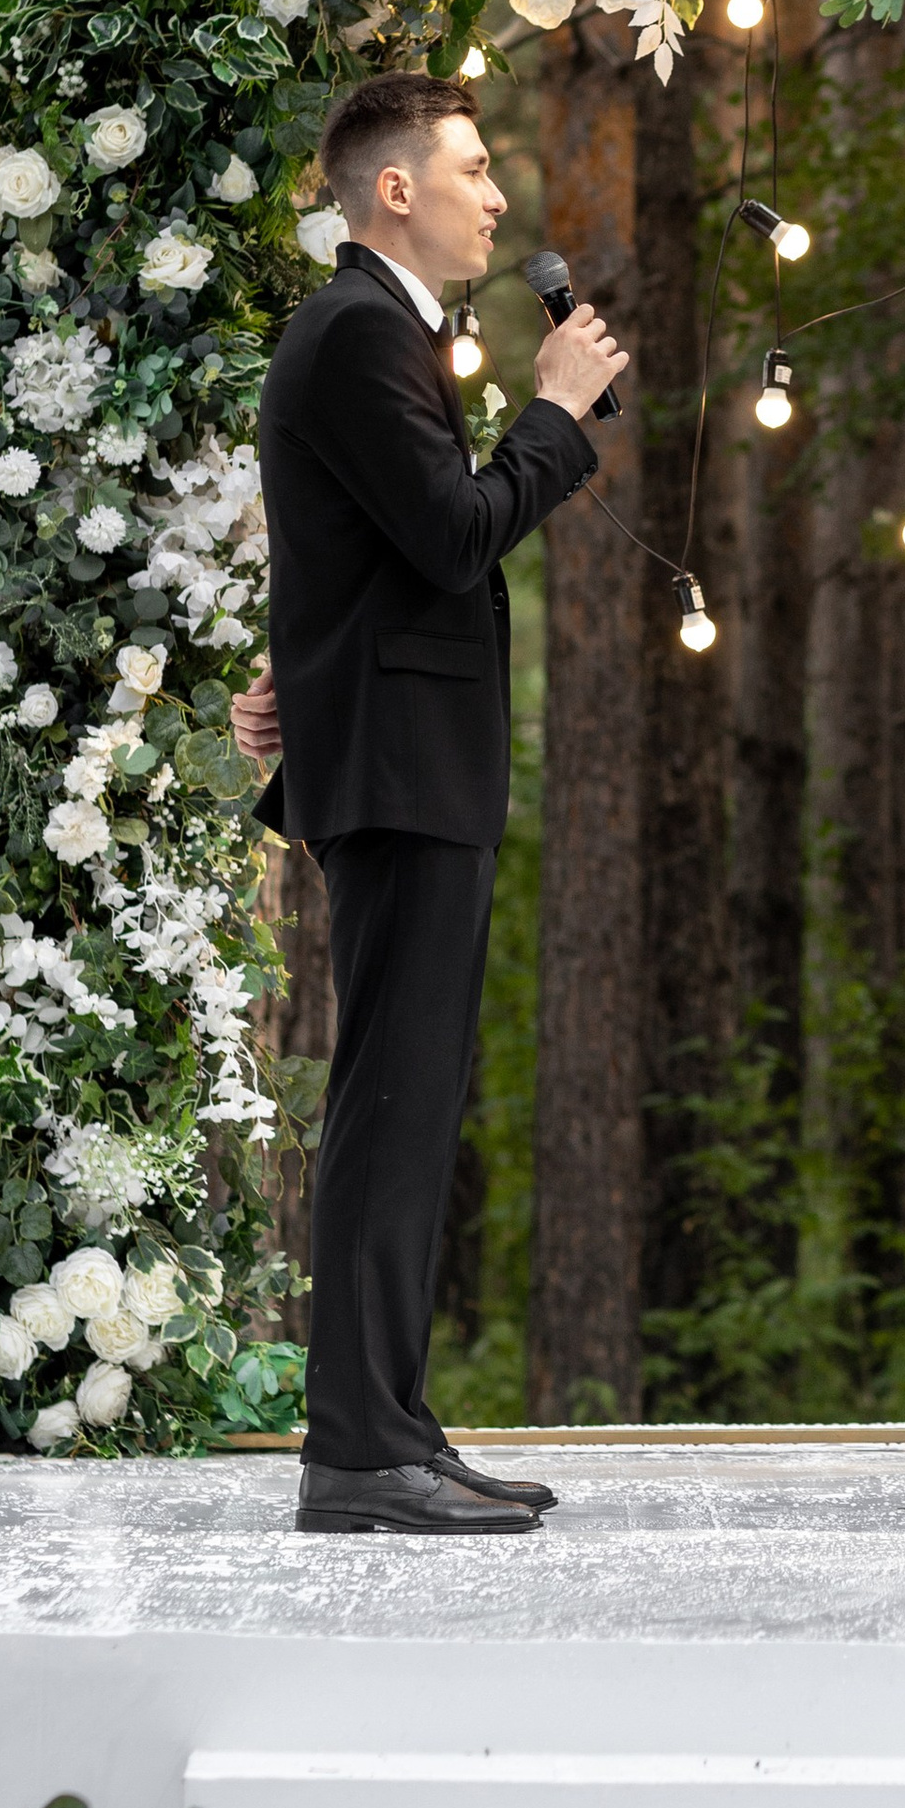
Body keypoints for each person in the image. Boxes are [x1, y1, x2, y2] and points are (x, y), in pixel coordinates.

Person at [233, 75, 627, 1539]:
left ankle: (393, 1427)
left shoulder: (384, 336)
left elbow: (360, 554)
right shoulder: (354, 335)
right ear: (393, 189)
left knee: (412, 1104)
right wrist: (556, 417)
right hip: (399, 772)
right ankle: (355, 1453)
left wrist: (294, 676)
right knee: (390, 1109)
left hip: (405, 757)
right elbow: (454, 540)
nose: (497, 196)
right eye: (472, 168)